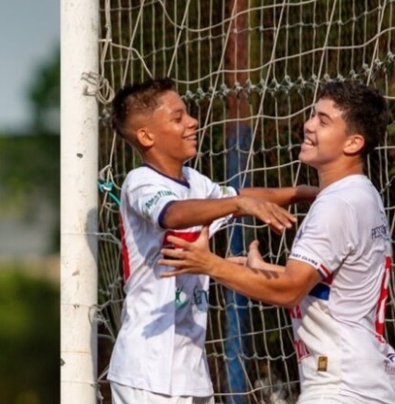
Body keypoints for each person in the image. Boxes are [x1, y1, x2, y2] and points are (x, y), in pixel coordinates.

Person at [159, 80, 395, 403]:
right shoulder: (360, 195)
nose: (309, 125)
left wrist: (208, 263)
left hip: (342, 387)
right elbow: (331, 289)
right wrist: (258, 271)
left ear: (353, 143)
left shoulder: (337, 204)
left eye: (323, 120)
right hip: (361, 381)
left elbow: (290, 290)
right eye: (313, 115)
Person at [106, 77, 318, 404]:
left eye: (188, 113)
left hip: (190, 371)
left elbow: (244, 195)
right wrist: (238, 204)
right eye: (177, 118)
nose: (192, 122)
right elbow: (172, 214)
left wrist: (312, 194)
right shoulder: (140, 182)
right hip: (147, 370)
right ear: (146, 136)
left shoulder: (195, 182)